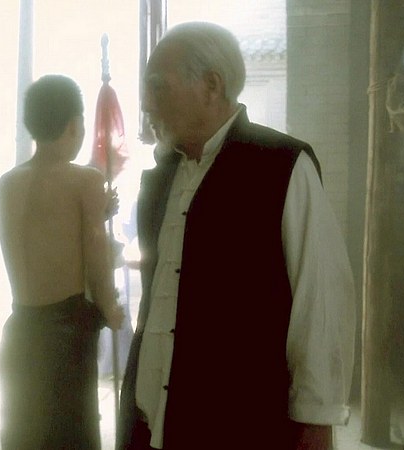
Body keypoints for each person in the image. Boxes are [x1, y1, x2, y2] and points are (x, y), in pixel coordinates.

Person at [116, 22, 356, 450]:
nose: (146, 103)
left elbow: (318, 302)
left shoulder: (281, 166)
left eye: (158, 87)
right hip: (148, 427)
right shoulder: (159, 180)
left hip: (239, 424)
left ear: (211, 86)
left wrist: (316, 421)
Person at [0, 74, 125, 449]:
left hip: (22, 327)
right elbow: (96, 257)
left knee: (26, 433)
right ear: (74, 125)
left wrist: (95, 212)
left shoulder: (8, 182)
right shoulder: (85, 181)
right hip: (66, 334)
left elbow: (40, 233)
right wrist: (109, 307)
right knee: (70, 437)